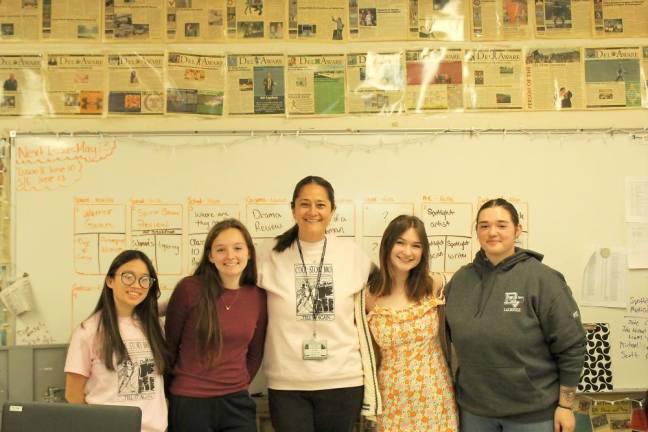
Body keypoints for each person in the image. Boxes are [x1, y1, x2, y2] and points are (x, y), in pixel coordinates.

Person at [445, 198, 586, 432]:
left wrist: (565, 406)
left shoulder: (543, 280)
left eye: (501, 225)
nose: (492, 232)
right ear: (477, 231)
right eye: (484, 225)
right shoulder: (461, 279)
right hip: (474, 411)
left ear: (517, 230)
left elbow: (572, 345)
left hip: (532, 414)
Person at [257, 175, 380, 432]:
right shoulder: (268, 254)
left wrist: (434, 280)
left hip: (342, 380)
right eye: (305, 204)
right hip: (287, 383)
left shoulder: (351, 254)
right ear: (293, 209)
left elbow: (390, 284)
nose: (313, 212)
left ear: (332, 210)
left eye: (321, 205)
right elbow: (225, 284)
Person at [165, 218, 267, 432]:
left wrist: (238, 383)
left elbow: (255, 353)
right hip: (190, 401)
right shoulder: (189, 289)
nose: (230, 256)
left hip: (237, 401)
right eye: (221, 250)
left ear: (248, 252)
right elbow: (169, 347)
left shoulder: (257, 296)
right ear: (210, 256)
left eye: (237, 248)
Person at [366, 215, 458, 432]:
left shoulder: (434, 285)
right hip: (391, 398)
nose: (407, 252)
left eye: (416, 246)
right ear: (387, 244)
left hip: (435, 396)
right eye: (400, 242)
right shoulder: (368, 295)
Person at [64, 250, 168, 432]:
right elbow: (73, 395)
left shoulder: (154, 326)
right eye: (128, 277)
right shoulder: (88, 331)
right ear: (110, 280)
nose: (137, 285)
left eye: (145, 279)